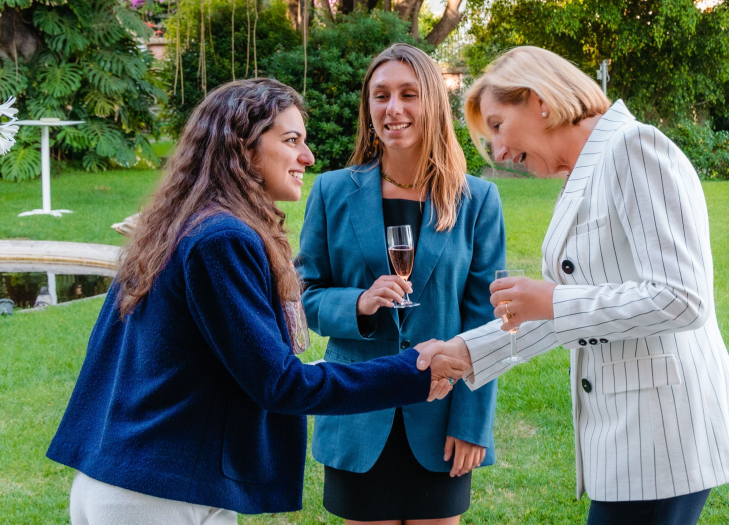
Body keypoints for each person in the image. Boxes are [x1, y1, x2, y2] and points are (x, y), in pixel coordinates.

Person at [46, 78, 467, 525]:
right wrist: (412, 370)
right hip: (157, 494)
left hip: (136, 479)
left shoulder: (183, 224)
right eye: (291, 141)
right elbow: (280, 384)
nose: (307, 157)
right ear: (242, 148)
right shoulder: (221, 239)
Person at [416, 46, 729, 525]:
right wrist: (465, 352)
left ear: (539, 100)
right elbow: (559, 316)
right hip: (628, 436)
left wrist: (553, 298)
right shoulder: (584, 174)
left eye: (497, 125)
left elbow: (683, 298)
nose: (497, 152)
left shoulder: (635, 148)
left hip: (664, 435)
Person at [297, 44, 504, 525]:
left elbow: (488, 323)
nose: (394, 109)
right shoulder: (331, 192)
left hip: (440, 419)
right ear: (368, 109)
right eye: (381, 95)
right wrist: (360, 303)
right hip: (357, 413)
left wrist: (472, 422)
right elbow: (303, 298)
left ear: (432, 103)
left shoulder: (477, 200)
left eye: (409, 94)